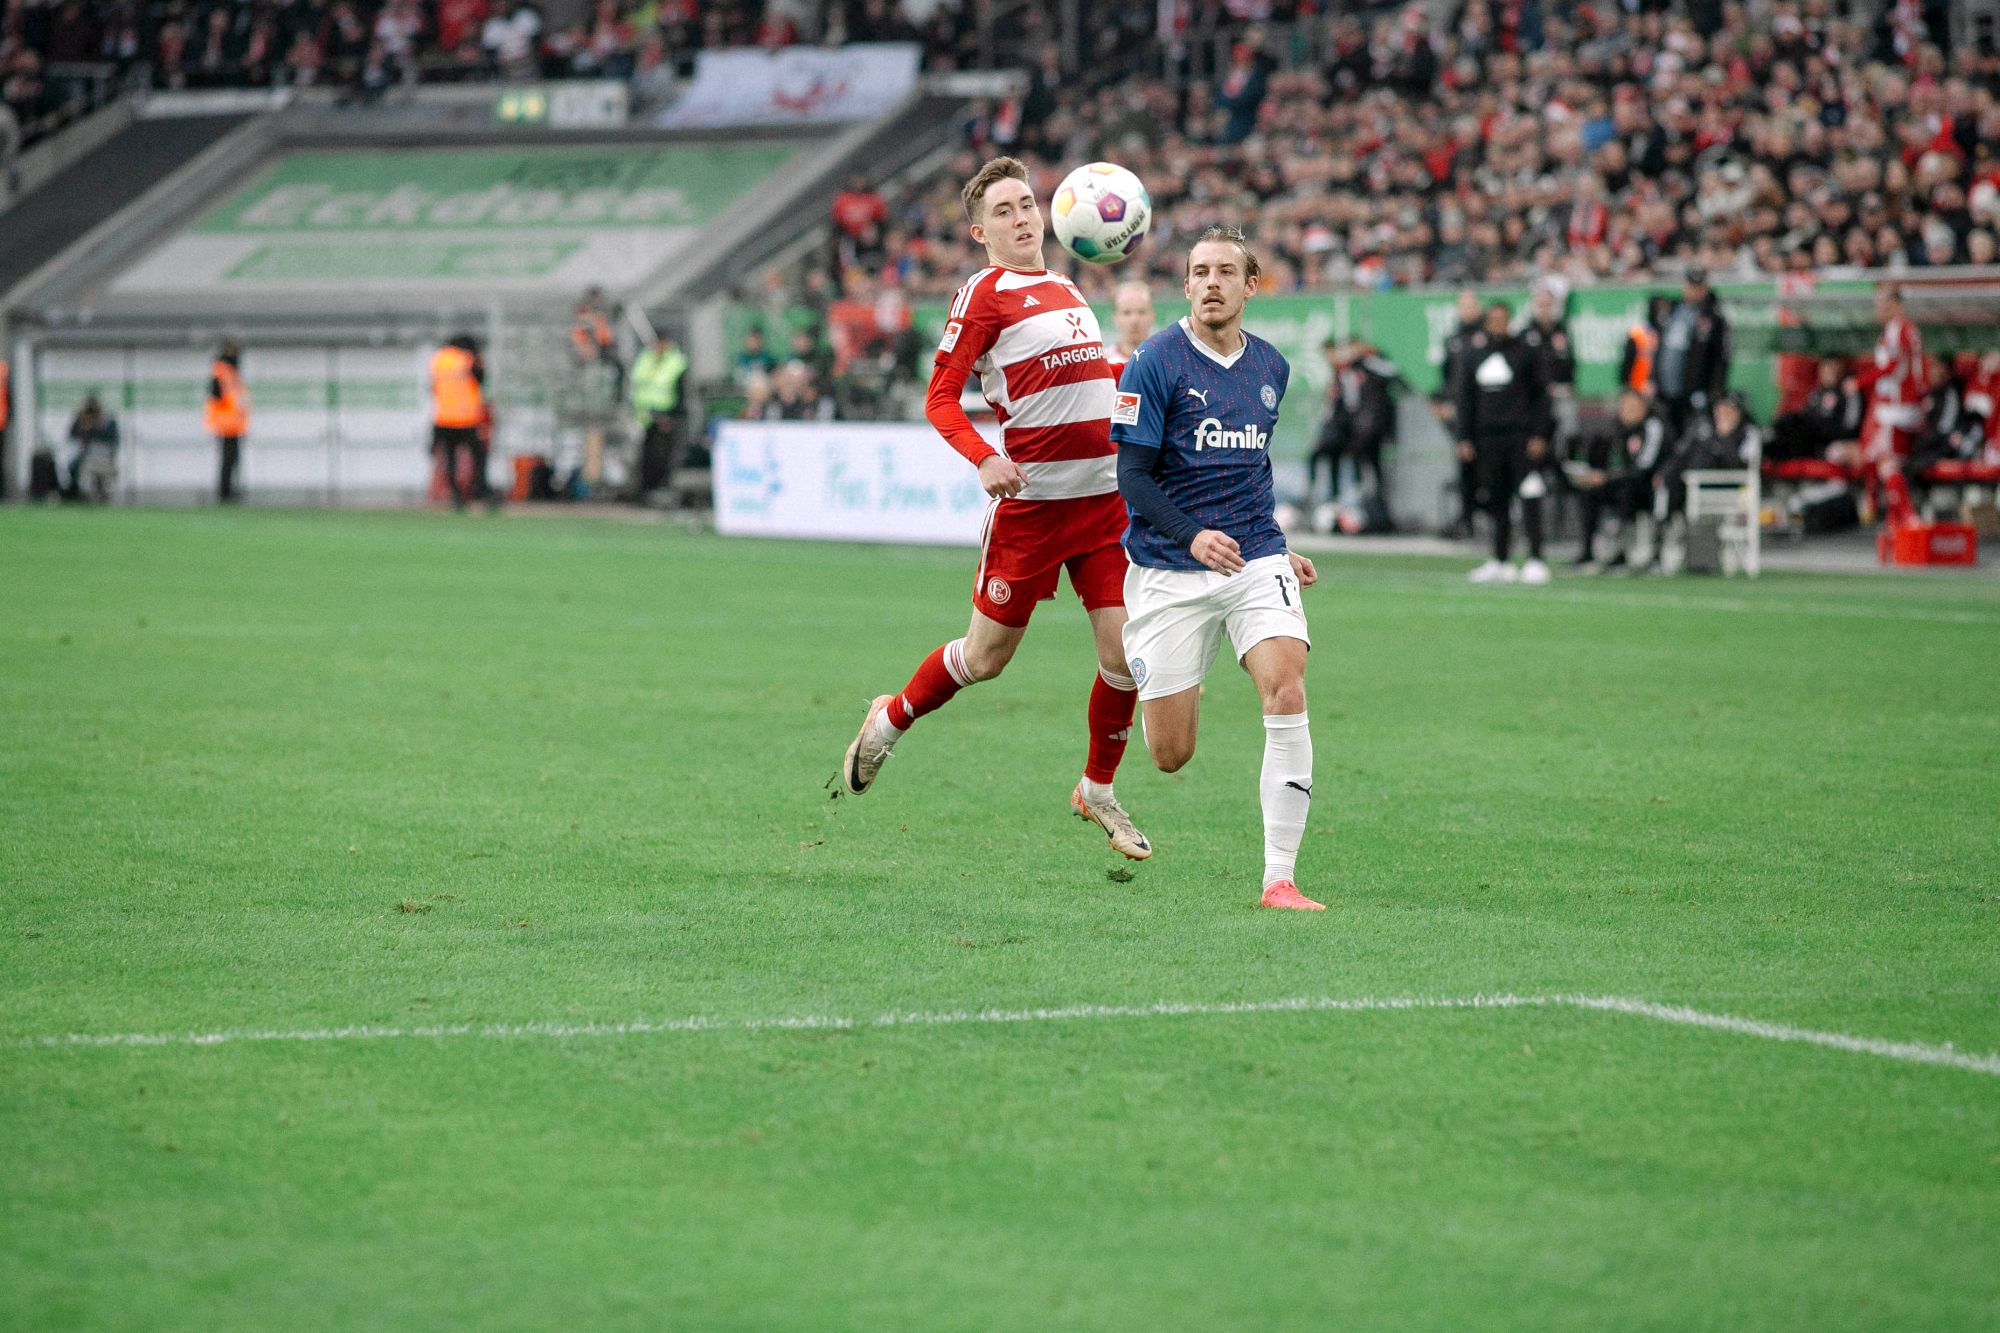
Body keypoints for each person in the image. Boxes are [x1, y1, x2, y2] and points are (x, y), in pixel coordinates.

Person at [838, 156, 1149, 862]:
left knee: (1125, 656)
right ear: (981, 232)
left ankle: (1097, 789)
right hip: (1033, 508)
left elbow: (1087, 382)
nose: (1021, 217)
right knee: (985, 659)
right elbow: (939, 397)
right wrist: (984, 457)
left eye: (1027, 204)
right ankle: (889, 718)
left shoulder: (1067, 285)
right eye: (1003, 211)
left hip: (1102, 504)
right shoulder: (985, 294)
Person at [1111, 224, 1322, 911]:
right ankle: (1165, 687)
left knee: (1286, 688)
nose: (1210, 283)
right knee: (1171, 755)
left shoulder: (1271, 367)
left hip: (1253, 558)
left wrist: (1273, 543)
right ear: (1186, 285)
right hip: (1169, 567)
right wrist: (1193, 534)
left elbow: (1252, 463)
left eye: (1224, 272)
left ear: (1249, 286)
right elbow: (1133, 479)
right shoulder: (1154, 361)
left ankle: (1279, 878)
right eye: (1198, 272)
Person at [1456, 301, 1554, 585]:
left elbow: (1541, 397)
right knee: (1496, 498)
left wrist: (1539, 434)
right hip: (1488, 438)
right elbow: (1466, 399)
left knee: (1530, 493)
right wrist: (1464, 437)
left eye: (1503, 319)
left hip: (1520, 437)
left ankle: (1535, 557)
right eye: (1493, 319)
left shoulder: (1525, 352)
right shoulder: (1474, 355)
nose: (1498, 324)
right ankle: (1500, 559)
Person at [1569, 388, 1669, 572]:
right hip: (1620, 482)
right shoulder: (1616, 428)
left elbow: (1644, 467)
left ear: (1644, 407)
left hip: (1649, 486)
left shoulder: (1652, 426)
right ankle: (1587, 552)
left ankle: (1625, 552)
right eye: (1624, 405)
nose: (1627, 410)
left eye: (1633, 405)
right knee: (1588, 491)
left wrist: (1607, 478)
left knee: (1626, 492)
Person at [1852, 283, 1927, 524]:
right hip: (1905, 407)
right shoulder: (1907, 330)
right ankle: (1893, 520)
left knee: (1885, 462)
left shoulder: (1898, 329)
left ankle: (1908, 518)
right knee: (1882, 460)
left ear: (1894, 304)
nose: (1878, 309)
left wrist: (1860, 381)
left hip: (1896, 409)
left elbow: (1893, 365)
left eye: (1882, 304)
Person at [1654, 267, 1731, 439]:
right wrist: (1655, 379)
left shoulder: (1713, 317)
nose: (1693, 290)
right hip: (1667, 389)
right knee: (1669, 433)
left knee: (1693, 435)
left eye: (1698, 286)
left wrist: (1713, 390)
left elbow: (1720, 358)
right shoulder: (1673, 311)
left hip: (1694, 390)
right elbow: (1659, 349)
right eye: (1690, 285)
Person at [1438, 289, 1484, 537]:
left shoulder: (1485, 336)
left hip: (1485, 413)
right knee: (1464, 466)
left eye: (1470, 304)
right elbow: (1446, 374)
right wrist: (1445, 401)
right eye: (1462, 305)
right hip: (1462, 412)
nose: (1466, 310)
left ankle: (1489, 518)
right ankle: (1467, 519)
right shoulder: (1454, 337)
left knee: (1487, 468)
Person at [430, 334, 494, 511]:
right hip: (468, 418)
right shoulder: (468, 358)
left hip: (444, 418)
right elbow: (480, 379)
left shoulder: (438, 359)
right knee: (479, 456)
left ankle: (456, 496)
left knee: (451, 459)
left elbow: (434, 387)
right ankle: (481, 490)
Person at [628, 328, 688, 501]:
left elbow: (679, 391)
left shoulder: (676, 361)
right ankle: (644, 491)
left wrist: (672, 415)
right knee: (646, 457)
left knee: (663, 456)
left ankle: (660, 490)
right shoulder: (646, 358)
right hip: (645, 416)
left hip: (665, 417)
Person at [1768, 358, 1863, 462]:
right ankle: (1768, 440)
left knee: (1793, 431)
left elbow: (1851, 423)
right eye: (1825, 369)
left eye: (1831, 368)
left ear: (1840, 368)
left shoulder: (1848, 386)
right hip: (1811, 434)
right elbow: (1806, 413)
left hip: (1828, 437)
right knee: (1790, 422)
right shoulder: (1817, 393)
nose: (1828, 373)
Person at [205, 341, 249, 504]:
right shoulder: (221, 373)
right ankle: (224, 492)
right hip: (226, 425)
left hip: (234, 425)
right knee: (227, 459)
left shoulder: (231, 373)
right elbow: (216, 399)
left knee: (233, 459)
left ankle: (230, 490)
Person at [65, 394, 120, 503]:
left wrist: (97, 426)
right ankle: (76, 494)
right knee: (74, 467)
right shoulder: (83, 419)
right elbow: (72, 434)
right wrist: (83, 424)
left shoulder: (108, 421)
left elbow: (113, 440)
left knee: (99, 472)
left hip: (104, 457)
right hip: (86, 457)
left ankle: (101, 493)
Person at [1618, 294, 1673, 396]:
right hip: (1638, 389)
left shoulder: (1671, 332)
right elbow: (1627, 362)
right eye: (1659, 308)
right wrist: (1626, 385)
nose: (1662, 312)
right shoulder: (1639, 333)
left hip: (1665, 389)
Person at [1105, 280, 1154, 378]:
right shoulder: (1104, 363)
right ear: (1115, 318)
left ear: (1152, 316)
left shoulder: (1166, 361)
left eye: (1141, 312)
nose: (1134, 320)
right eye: (1127, 313)